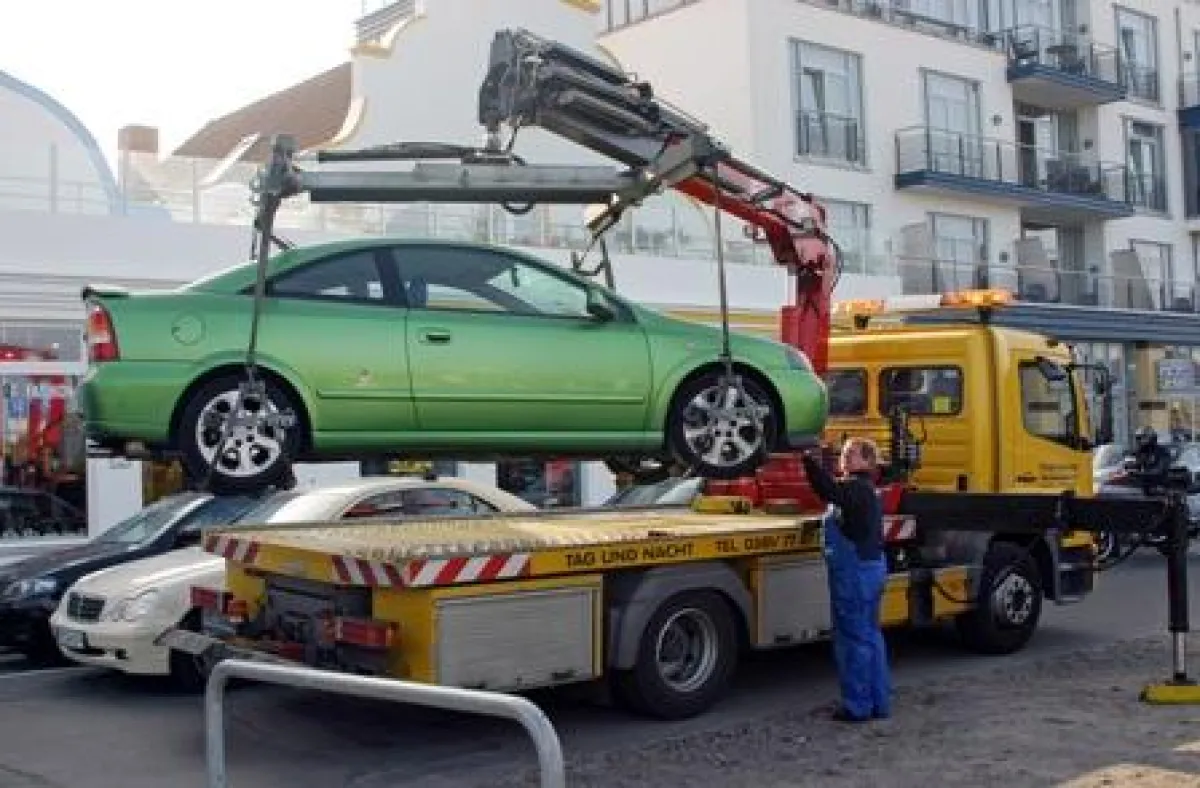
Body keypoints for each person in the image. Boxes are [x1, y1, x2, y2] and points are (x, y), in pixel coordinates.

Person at [800, 437, 891, 723]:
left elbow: (827, 490)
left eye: (852, 454)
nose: (845, 458)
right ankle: (879, 702)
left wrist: (808, 461)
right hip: (869, 568)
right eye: (845, 453)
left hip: (856, 575)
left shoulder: (855, 488)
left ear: (868, 462)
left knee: (854, 641)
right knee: (870, 637)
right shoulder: (863, 490)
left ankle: (857, 707)